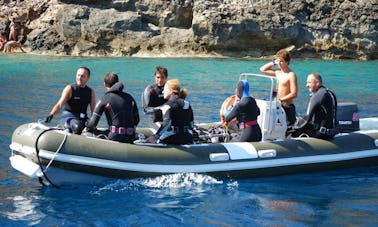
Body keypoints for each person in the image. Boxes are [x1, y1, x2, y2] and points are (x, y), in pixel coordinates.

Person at [85, 72, 140, 143]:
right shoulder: (130, 97)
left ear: (104, 84)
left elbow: (93, 124)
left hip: (114, 136)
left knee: (89, 132)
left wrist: (86, 124)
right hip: (130, 137)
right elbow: (137, 119)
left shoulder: (105, 98)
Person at [44, 67, 96, 134]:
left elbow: (94, 110)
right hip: (69, 118)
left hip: (83, 119)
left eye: (82, 76)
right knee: (77, 127)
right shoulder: (70, 89)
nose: (79, 78)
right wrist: (51, 114)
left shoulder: (90, 91)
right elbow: (60, 104)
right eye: (78, 75)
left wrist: (93, 124)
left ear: (88, 78)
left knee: (92, 129)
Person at [287, 73, 338, 140]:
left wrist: (291, 128)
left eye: (309, 82)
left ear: (317, 83)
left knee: (290, 135)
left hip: (321, 135)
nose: (306, 85)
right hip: (331, 133)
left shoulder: (317, 96)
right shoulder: (330, 93)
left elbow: (307, 119)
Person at [147, 79, 194, 145]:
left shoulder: (168, 106)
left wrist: (156, 136)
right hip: (188, 138)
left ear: (171, 91)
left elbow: (167, 123)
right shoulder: (187, 103)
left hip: (173, 139)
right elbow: (191, 122)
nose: (163, 92)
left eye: (165, 89)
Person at [260, 49, 298, 126]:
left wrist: (281, 100)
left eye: (281, 61)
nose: (279, 64)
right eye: (278, 61)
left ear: (287, 62)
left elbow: (294, 94)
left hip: (287, 106)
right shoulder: (278, 73)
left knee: (289, 129)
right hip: (277, 105)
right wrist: (274, 62)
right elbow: (262, 69)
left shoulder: (291, 75)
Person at [142, 66, 168, 130]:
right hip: (156, 120)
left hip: (169, 119)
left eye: (162, 77)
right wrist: (162, 109)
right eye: (158, 77)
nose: (160, 80)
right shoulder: (150, 90)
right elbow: (146, 110)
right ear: (155, 77)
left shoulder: (170, 89)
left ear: (166, 78)